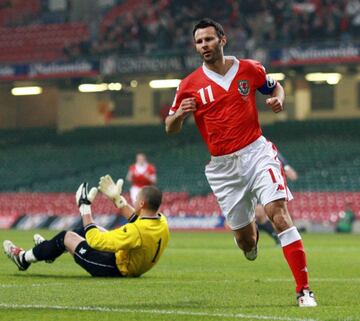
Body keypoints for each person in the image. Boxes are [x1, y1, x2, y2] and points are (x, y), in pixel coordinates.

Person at [165, 18, 317, 307]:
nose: (204, 45)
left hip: (256, 152)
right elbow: (169, 126)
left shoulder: (250, 68)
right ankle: (251, 239)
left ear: (223, 40)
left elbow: (276, 87)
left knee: (278, 212)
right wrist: (179, 115)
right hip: (223, 169)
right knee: (246, 242)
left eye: (209, 39)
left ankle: (304, 290)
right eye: (199, 42)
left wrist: (279, 100)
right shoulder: (188, 85)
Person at [3, 175, 169, 278]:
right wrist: (118, 200)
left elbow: (95, 240)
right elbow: (137, 219)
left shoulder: (136, 232)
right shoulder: (161, 222)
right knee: (81, 231)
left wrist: (84, 207)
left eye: (136, 199)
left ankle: (23, 259)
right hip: (129, 260)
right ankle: (48, 251)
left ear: (141, 203)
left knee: (65, 237)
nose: (133, 201)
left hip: (114, 267)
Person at [256, 152, 299, 245]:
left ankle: (283, 237)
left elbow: (273, 152)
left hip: (265, 181)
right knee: (259, 215)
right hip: (249, 181)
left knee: (265, 213)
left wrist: (286, 167)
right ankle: (276, 236)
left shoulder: (261, 145)